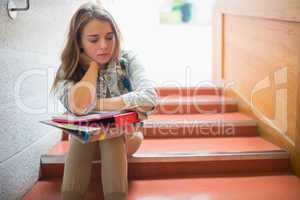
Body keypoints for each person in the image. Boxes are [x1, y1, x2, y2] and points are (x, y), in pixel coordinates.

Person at [50, 2, 157, 200]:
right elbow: (79, 106)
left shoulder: (128, 59)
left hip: (127, 139)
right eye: (93, 40)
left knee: (111, 130)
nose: (104, 46)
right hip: (84, 145)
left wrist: (98, 105)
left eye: (109, 37)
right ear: (79, 42)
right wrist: (92, 68)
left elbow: (149, 97)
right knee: (83, 134)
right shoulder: (68, 68)